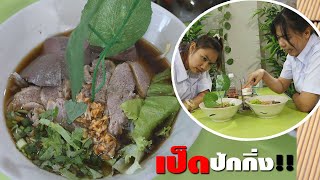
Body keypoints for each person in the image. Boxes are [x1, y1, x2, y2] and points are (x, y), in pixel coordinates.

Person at [245, 8, 320, 112]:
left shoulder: (317, 53)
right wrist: (263, 74)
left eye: (286, 37)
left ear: (306, 33)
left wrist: (294, 95)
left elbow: (305, 105)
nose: (281, 44)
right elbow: (281, 85)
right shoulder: (294, 52)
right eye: (279, 38)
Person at [174, 34, 223, 111]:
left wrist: (188, 105)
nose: (204, 67)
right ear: (192, 48)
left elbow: (204, 93)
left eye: (210, 63)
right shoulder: (171, 64)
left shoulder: (200, 68)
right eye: (204, 58)